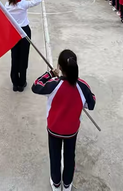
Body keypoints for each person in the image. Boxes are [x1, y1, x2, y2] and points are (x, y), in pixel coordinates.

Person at [32, 50, 96, 191]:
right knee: (69, 156)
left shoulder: (53, 84)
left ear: (59, 67)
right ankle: (67, 184)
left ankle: (56, 183)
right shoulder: (83, 86)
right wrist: (84, 101)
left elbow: (36, 86)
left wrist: (50, 74)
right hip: (71, 131)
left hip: (54, 129)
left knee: (55, 156)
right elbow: (91, 104)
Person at [5, 0, 42, 92]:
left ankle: (15, 83)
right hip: (24, 31)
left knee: (14, 56)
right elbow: (38, 0)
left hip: (13, 31)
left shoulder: (7, 4)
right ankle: (22, 83)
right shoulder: (23, 3)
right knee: (23, 57)